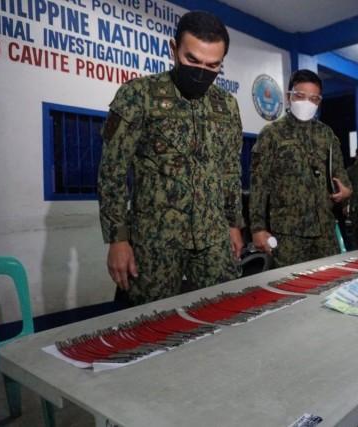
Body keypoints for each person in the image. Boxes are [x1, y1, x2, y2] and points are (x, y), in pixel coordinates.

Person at [98, 11, 244, 306]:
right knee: (149, 324)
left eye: (213, 65)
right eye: (192, 60)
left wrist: (233, 224)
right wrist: (117, 239)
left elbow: (230, 171)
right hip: (155, 240)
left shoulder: (226, 105)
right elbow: (112, 171)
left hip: (213, 237)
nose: (202, 71)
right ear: (173, 48)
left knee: (224, 314)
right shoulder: (139, 95)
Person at [250, 69, 352, 267]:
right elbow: (258, 184)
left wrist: (347, 191)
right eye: (300, 96)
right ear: (289, 97)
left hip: (325, 230)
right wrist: (257, 228)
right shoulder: (272, 134)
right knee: (290, 286)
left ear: (319, 101)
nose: (307, 102)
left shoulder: (326, 134)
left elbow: (340, 175)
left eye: (313, 98)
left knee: (329, 282)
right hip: (288, 232)